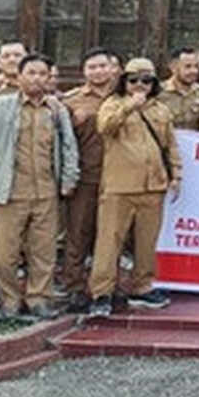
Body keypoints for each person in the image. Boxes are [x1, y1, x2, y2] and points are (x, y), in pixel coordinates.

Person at [0, 54, 79, 318]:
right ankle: (10, 298)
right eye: (31, 73)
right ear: (20, 76)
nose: (37, 78)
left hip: (47, 191)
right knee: (5, 252)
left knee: (44, 250)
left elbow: (68, 145)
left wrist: (69, 178)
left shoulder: (56, 109)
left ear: (49, 78)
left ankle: (39, 298)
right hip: (9, 191)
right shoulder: (0, 105)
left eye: (42, 74)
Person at [88, 57, 181, 316]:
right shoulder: (112, 104)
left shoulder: (160, 110)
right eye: (134, 80)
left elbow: (170, 145)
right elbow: (105, 127)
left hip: (153, 185)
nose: (140, 85)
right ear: (124, 82)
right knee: (109, 241)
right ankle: (101, 292)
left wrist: (177, 175)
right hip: (120, 186)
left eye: (147, 80)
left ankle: (142, 287)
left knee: (146, 242)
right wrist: (130, 106)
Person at [60, 47, 115, 311]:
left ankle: (107, 287)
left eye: (103, 66)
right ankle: (73, 286)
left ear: (113, 68)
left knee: (111, 236)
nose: (98, 71)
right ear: (84, 71)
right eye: (92, 67)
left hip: (119, 180)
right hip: (86, 177)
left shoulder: (123, 97)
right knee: (78, 233)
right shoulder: (71, 101)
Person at [159, 46, 199, 130]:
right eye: (188, 66)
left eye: (196, 66)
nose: (194, 71)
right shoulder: (159, 92)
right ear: (173, 67)